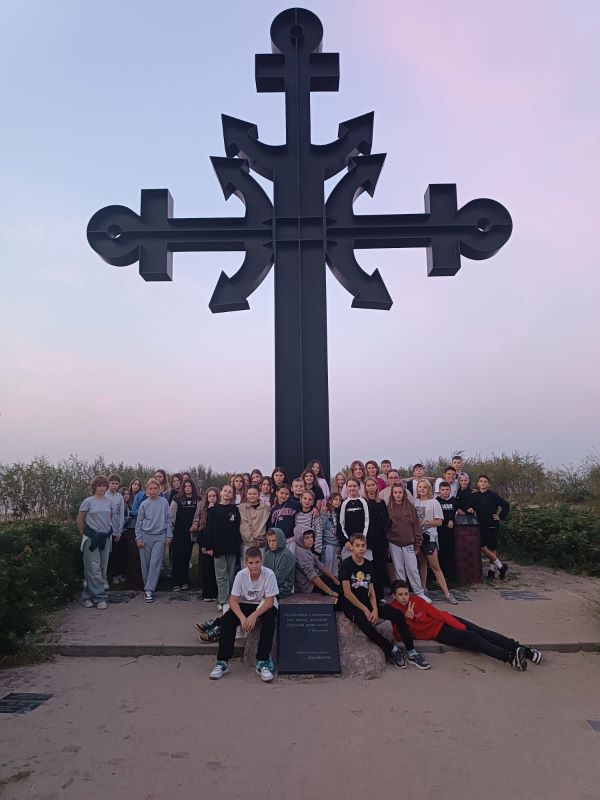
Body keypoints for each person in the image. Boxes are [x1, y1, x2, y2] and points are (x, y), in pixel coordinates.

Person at [389, 581, 540, 670]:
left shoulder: (416, 600)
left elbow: (438, 614)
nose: (404, 597)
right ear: (394, 596)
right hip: (438, 633)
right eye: (400, 595)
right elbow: (398, 636)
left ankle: (525, 651)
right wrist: (407, 619)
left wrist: (459, 626)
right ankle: (509, 658)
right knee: (472, 637)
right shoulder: (394, 610)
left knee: (481, 632)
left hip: (446, 620)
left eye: (406, 593)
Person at [339, 534, 430, 669]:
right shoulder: (346, 565)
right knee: (367, 627)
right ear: (351, 547)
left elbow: (371, 590)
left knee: (397, 615)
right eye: (357, 545)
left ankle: (412, 652)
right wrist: (365, 610)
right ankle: (392, 650)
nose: (361, 548)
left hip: (367, 601)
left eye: (363, 545)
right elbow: (347, 592)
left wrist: (375, 609)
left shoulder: (368, 564)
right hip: (352, 604)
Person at [209, 548, 278, 682]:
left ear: (261, 561)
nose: (254, 566)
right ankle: (222, 662)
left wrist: (253, 616)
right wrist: (242, 618)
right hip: (246, 603)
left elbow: (270, 602)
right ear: (246, 563)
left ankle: (262, 662)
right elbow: (233, 601)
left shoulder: (269, 574)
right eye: (251, 563)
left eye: (257, 562)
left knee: (270, 619)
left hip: (264, 604)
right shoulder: (241, 575)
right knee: (228, 619)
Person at [414, 479, 457, 604]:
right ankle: (423, 589)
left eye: (424, 487)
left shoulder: (434, 502)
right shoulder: (415, 502)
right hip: (417, 537)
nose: (422, 489)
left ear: (429, 489)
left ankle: (447, 593)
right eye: (420, 487)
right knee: (421, 563)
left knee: (435, 566)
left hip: (430, 537)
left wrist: (425, 522)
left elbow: (439, 521)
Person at [386, 483, 430, 603]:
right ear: (392, 494)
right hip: (394, 543)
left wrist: (417, 543)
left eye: (400, 492)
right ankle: (402, 594)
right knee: (399, 569)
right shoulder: (389, 507)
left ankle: (419, 593)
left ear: (404, 493)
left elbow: (416, 526)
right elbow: (386, 526)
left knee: (412, 569)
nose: (398, 495)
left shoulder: (410, 507)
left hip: (409, 543)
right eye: (395, 492)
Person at [77, 475, 115, 609]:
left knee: (102, 568)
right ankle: (100, 598)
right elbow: (80, 519)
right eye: (99, 485)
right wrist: (84, 534)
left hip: (105, 538)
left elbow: (109, 518)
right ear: (94, 487)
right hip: (91, 539)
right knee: (93, 568)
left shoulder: (110, 502)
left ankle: (87, 596)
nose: (102, 488)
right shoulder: (88, 501)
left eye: (104, 485)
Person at [465, 475, 510, 580]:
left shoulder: (493, 495)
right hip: (480, 525)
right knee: (481, 546)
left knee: (492, 547)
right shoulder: (474, 496)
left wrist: (500, 517)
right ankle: (501, 566)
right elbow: (468, 506)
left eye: (485, 481)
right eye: (481, 481)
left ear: (488, 484)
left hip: (492, 524)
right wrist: (469, 509)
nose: (483, 483)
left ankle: (491, 571)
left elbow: (506, 505)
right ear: (478, 483)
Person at [135, 478, 172, 603]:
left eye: (155, 488)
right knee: (145, 564)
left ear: (159, 489)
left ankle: (149, 589)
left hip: (160, 536)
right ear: (147, 490)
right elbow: (139, 522)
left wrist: (169, 535)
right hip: (145, 536)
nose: (153, 491)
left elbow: (168, 519)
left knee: (155, 563)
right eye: (150, 488)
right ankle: (148, 587)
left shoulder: (164, 502)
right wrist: (138, 538)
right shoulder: (144, 504)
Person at [204, 484, 241, 611]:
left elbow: (237, 528)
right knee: (221, 575)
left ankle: (226, 599)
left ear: (232, 495)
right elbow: (209, 529)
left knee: (230, 575)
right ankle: (224, 601)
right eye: (225, 491)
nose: (227, 493)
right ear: (221, 493)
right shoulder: (213, 510)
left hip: (232, 546)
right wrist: (209, 546)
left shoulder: (234, 509)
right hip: (218, 546)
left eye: (230, 492)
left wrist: (238, 545)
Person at [170, 478, 198, 591]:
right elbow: (171, 516)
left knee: (186, 558)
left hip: (190, 533)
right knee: (177, 558)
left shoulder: (198, 500)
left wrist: (195, 524)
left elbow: (199, 514)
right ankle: (176, 582)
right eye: (186, 486)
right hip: (178, 533)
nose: (188, 488)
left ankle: (185, 580)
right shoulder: (177, 499)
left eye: (190, 486)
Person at [364, 476, 389, 603]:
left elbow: (386, 520)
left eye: (373, 485)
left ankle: (380, 595)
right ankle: (367, 595)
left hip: (380, 540)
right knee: (369, 568)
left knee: (380, 567)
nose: (371, 487)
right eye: (368, 485)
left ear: (376, 487)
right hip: (367, 541)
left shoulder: (381, 502)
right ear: (365, 487)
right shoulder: (363, 502)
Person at [294, 530, 341, 596]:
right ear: (300, 539)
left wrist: (334, 579)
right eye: (306, 538)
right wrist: (330, 592)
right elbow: (312, 577)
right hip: (307, 587)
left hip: (314, 580)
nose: (310, 540)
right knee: (339, 592)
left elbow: (321, 566)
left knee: (338, 583)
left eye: (311, 537)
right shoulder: (301, 552)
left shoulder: (306, 549)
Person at [193, 487, 219, 601]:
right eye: (209, 496)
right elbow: (201, 529)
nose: (211, 498)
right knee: (206, 570)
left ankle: (216, 593)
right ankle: (207, 594)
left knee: (215, 571)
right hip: (205, 544)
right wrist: (203, 545)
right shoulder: (203, 511)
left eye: (214, 496)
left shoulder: (220, 510)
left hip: (216, 545)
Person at [340, 478, 370, 557]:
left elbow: (367, 521)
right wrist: (346, 540)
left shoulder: (364, 502)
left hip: (362, 542)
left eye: (354, 486)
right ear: (346, 488)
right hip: (349, 543)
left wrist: (363, 538)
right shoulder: (344, 503)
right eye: (350, 486)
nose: (352, 488)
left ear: (359, 487)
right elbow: (341, 523)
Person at [238, 484, 270, 559]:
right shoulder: (240, 508)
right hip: (245, 543)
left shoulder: (266, 508)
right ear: (246, 495)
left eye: (255, 494)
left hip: (260, 542)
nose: (252, 496)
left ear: (259, 495)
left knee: (260, 563)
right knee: (245, 564)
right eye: (250, 493)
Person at [436, 481, 459, 582]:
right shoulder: (436, 501)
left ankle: (451, 575)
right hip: (439, 531)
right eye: (443, 490)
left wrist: (453, 520)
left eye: (447, 490)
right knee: (441, 553)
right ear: (439, 491)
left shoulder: (454, 501)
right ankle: (442, 575)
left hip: (451, 532)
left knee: (451, 552)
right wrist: (446, 522)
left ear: (450, 490)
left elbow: (458, 513)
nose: (445, 491)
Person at [106, 474, 126, 586]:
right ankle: (106, 575)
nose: (114, 485)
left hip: (116, 526)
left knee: (117, 553)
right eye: (112, 483)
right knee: (107, 553)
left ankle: (116, 575)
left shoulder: (120, 497)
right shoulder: (104, 495)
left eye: (116, 484)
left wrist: (119, 531)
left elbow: (122, 514)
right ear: (108, 484)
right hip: (105, 527)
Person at [314, 493, 342, 574]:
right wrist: (323, 514)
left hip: (337, 545)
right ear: (330, 501)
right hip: (327, 544)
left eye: (340, 500)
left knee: (336, 569)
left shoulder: (339, 514)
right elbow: (320, 528)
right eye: (336, 499)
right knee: (327, 568)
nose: (338, 502)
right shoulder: (324, 513)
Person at [268, 484, 301, 553]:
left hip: (291, 539)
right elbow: (271, 525)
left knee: (290, 557)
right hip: (278, 540)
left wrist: (314, 508)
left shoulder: (294, 504)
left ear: (289, 495)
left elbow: (305, 506)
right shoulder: (274, 509)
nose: (283, 496)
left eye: (286, 494)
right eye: (282, 493)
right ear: (277, 493)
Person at [124, 478, 144, 591]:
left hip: (140, 528)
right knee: (131, 555)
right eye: (134, 484)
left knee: (139, 555)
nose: (136, 486)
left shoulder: (141, 496)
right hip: (130, 528)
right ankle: (131, 581)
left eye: (138, 484)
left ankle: (140, 580)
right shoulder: (128, 497)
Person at [263, 527, 295, 598]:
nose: (271, 544)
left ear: (280, 539)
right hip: (268, 587)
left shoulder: (287, 555)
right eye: (269, 541)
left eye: (274, 540)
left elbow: (279, 579)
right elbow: (263, 573)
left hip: (282, 589)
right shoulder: (267, 554)